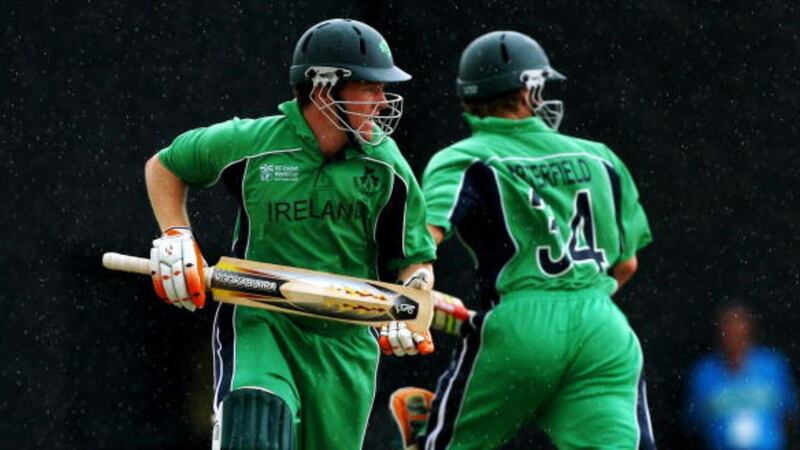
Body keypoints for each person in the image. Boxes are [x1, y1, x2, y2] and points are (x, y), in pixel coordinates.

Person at [144, 18, 437, 450]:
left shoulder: (386, 165)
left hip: (346, 343)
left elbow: (415, 261)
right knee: (255, 419)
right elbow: (165, 166)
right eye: (370, 88)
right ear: (323, 88)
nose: (381, 101)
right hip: (262, 317)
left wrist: (408, 304)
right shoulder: (254, 142)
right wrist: (176, 236)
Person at [389, 31, 655, 449]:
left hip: (517, 331)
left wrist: (413, 290)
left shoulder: (465, 157)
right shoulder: (599, 156)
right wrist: (572, 314)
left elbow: (422, 240)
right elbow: (626, 265)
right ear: (529, 88)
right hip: (603, 330)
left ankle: (430, 431)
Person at [684, 303, 797, 449]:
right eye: (729, 332)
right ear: (719, 334)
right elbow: (693, 422)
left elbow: (789, 412)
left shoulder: (772, 366)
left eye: (738, 331)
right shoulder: (703, 373)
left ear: (749, 331)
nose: (734, 338)